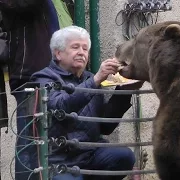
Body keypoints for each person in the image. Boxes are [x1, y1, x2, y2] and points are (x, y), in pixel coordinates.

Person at [31, 25, 142, 180]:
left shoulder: (89, 78)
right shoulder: (43, 78)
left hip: (90, 154)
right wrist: (96, 80)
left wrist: (125, 91)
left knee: (125, 156)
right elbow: (60, 106)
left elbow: (105, 127)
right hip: (59, 159)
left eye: (85, 49)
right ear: (58, 53)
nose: (81, 53)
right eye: (75, 47)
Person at [0, 1, 74, 179]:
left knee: (45, 138)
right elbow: (24, 5)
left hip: (50, 71)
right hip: (29, 73)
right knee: (29, 139)